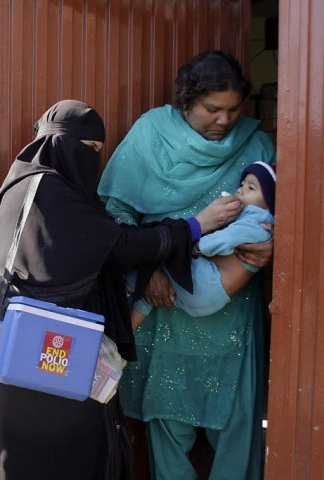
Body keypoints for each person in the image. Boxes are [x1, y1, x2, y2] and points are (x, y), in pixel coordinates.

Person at [0, 99, 236, 479]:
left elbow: (101, 241)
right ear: (61, 144)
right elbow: (119, 245)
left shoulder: (22, 186)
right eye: (88, 150)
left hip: (23, 352)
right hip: (61, 351)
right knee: (76, 454)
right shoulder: (53, 195)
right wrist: (193, 226)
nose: (93, 161)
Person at [97, 51, 276, 479]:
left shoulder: (257, 144)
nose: (224, 119)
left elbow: (282, 213)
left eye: (233, 109)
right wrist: (151, 271)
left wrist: (275, 248)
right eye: (211, 109)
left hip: (232, 308)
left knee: (237, 421)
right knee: (167, 418)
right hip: (164, 302)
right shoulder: (151, 133)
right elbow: (115, 214)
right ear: (186, 101)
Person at [130, 161, 276, 330]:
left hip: (206, 286)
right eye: (242, 184)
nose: (240, 190)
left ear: (269, 201)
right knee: (150, 295)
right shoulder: (253, 221)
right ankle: (122, 343)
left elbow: (225, 239)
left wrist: (197, 246)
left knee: (158, 264)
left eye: (251, 188)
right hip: (207, 296)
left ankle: (125, 282)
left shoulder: (257, 222)